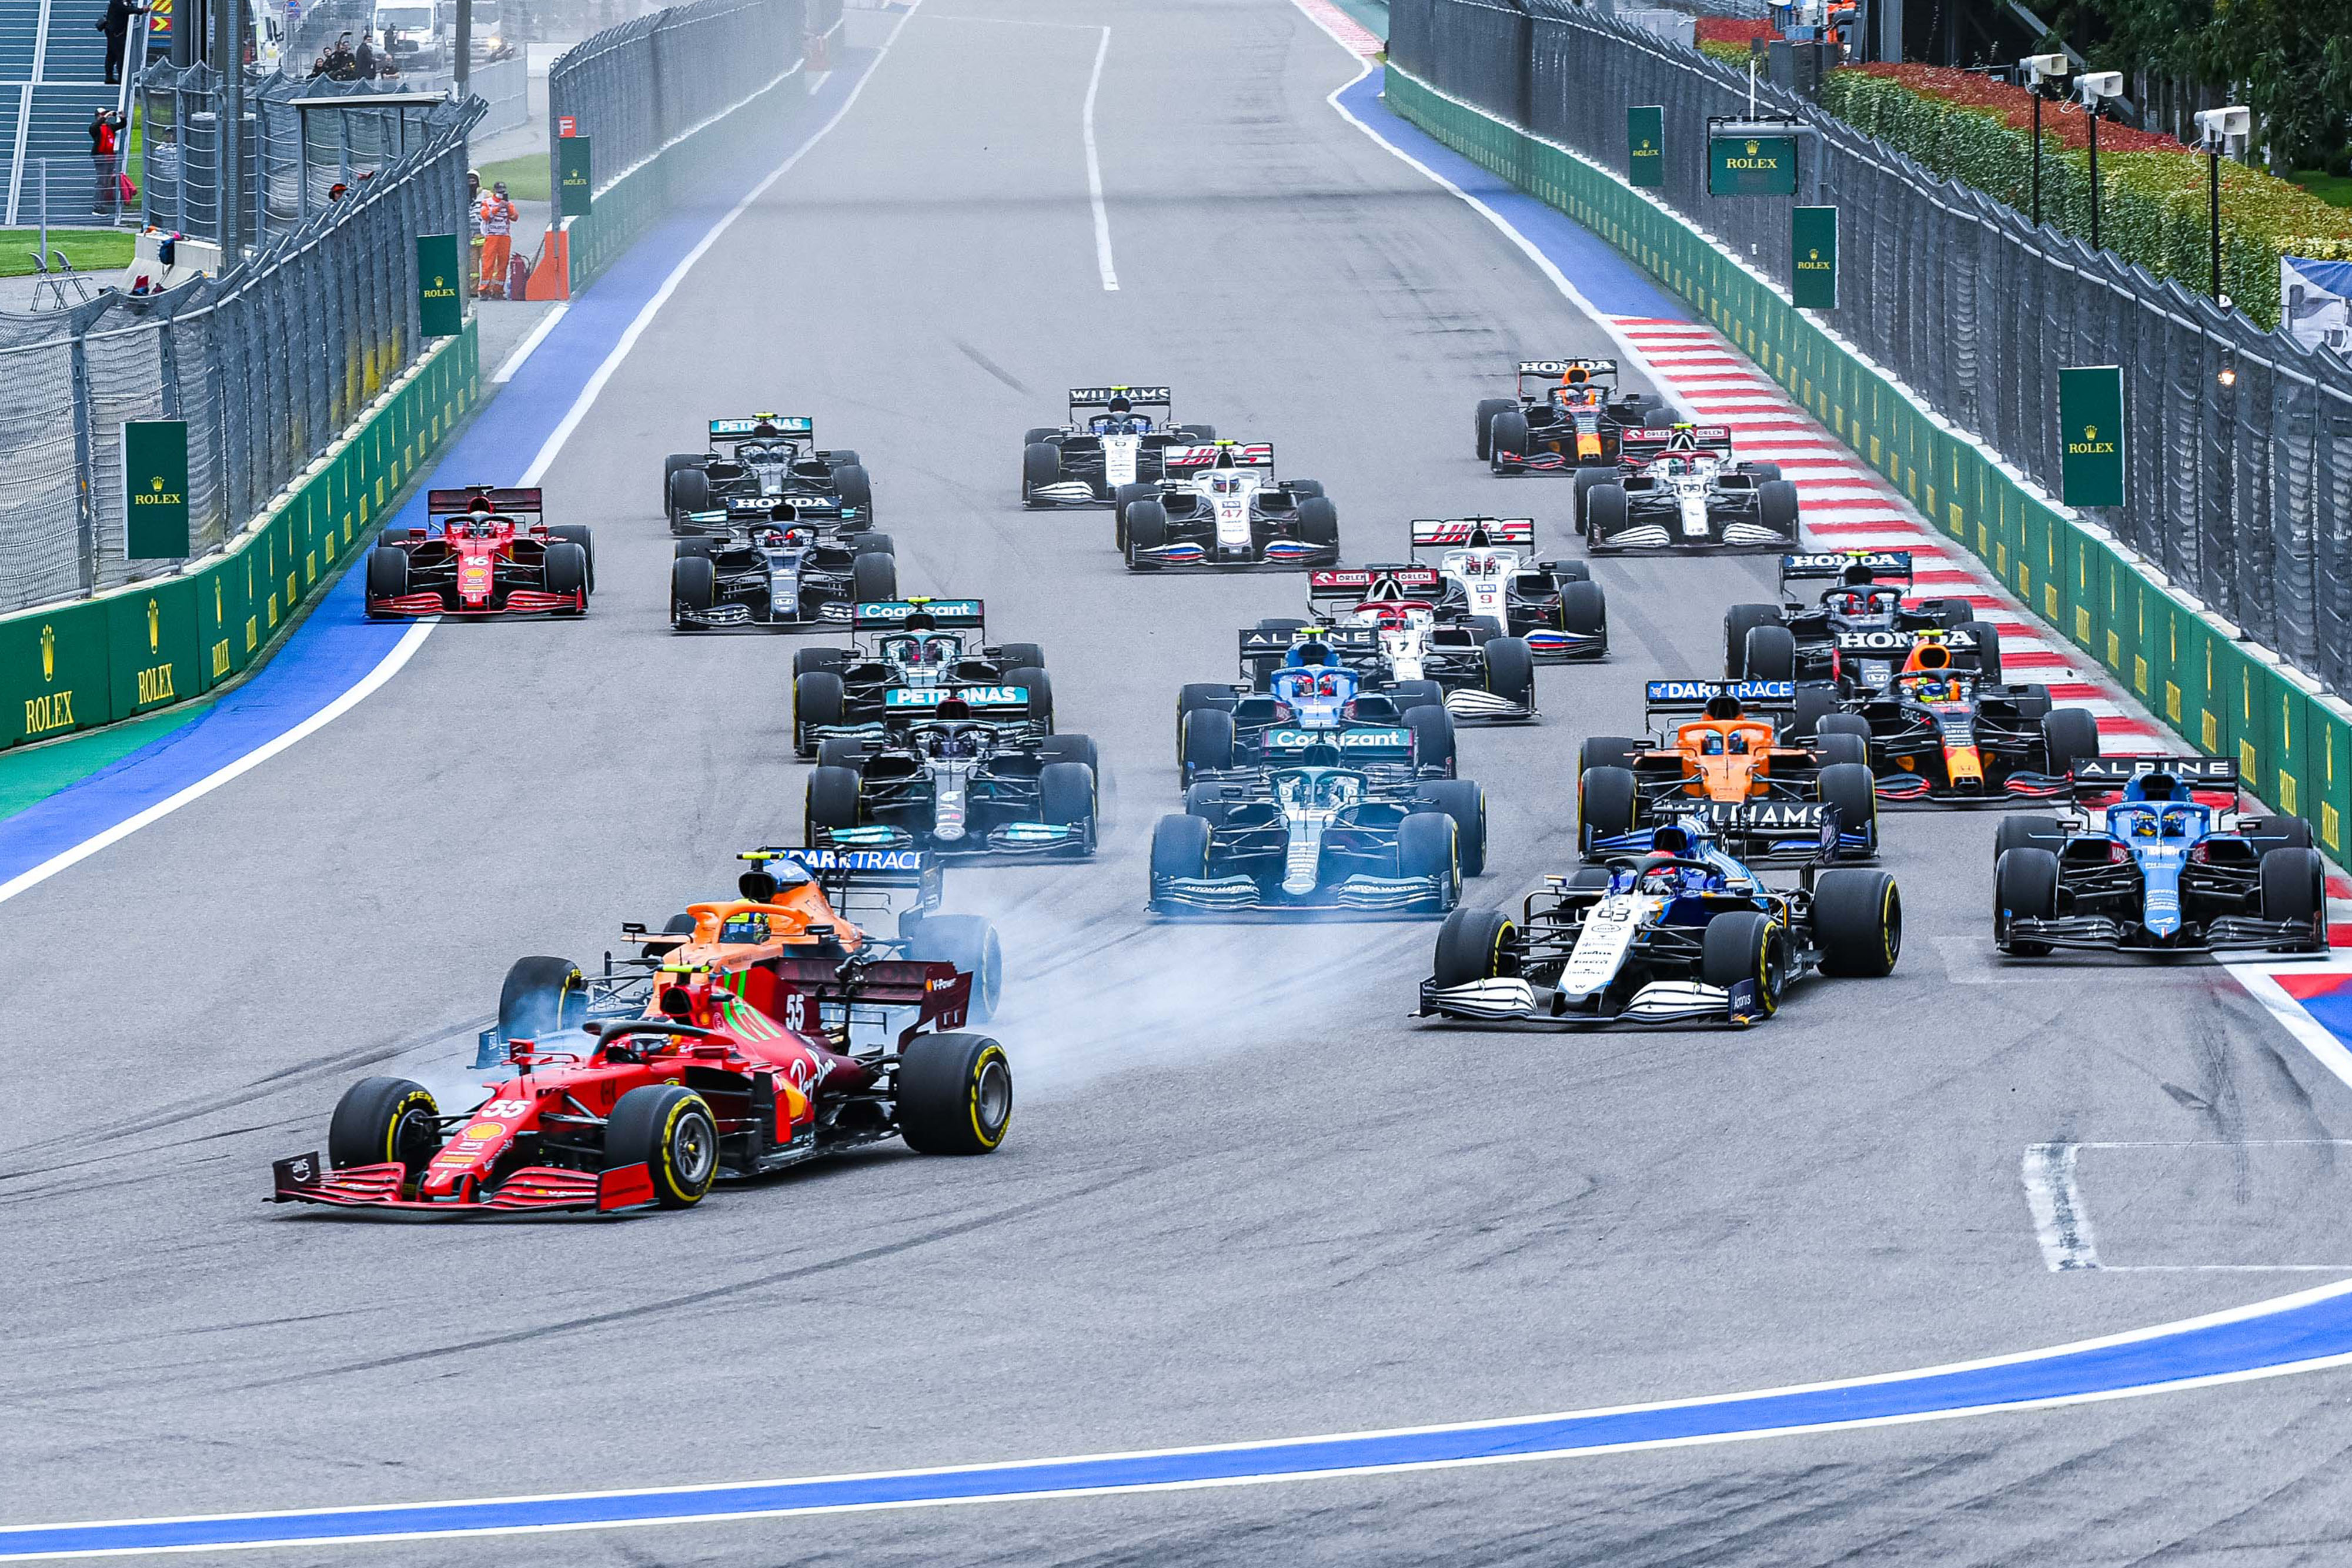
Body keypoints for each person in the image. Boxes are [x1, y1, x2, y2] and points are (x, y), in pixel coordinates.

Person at [476, 179, 519, 296]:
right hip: (491, 236)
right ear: (495, 191)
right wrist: (498, 208)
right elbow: (485, 216)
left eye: (503, 191)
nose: (501, 193)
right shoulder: (487, 202)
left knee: (503, 264)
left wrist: (508, 207)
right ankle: (484, 290)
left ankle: (498, 290)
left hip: (504, 236)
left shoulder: (509, 204)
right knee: (488, 264)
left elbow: (515, 217)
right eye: (499, 191)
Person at [96, 0, 150, 85]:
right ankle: (118, 77)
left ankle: (111, 77)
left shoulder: (123, 2)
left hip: (116, 31)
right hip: (115, 32)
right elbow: (126, 10)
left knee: (112, 55)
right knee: (118, 55)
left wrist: (139, 10)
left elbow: (129, 8)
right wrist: (141, 10)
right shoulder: (117, 2)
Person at [88, 109, 128, 215]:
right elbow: (94, 127)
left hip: (110, 157)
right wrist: (106, 117)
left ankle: (101, 204)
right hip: (101, 157)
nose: (106, 116)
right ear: (98, 116)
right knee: (101, 182)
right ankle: (97, 207)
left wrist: (122, 117)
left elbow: (122, 125)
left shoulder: (110, 127)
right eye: (103, 114)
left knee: (106, 183)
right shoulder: (95, 128)